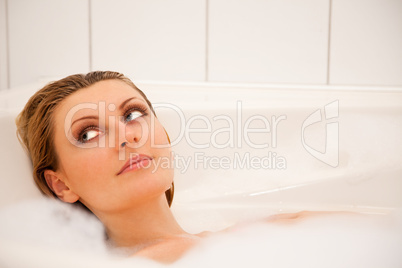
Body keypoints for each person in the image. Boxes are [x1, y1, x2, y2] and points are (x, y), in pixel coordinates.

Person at [15, 71, 334, 263]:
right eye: (88, 133)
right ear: (62, 185)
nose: (127, 137)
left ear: (164, 136)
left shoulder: (262, 231)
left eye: (132, 114)